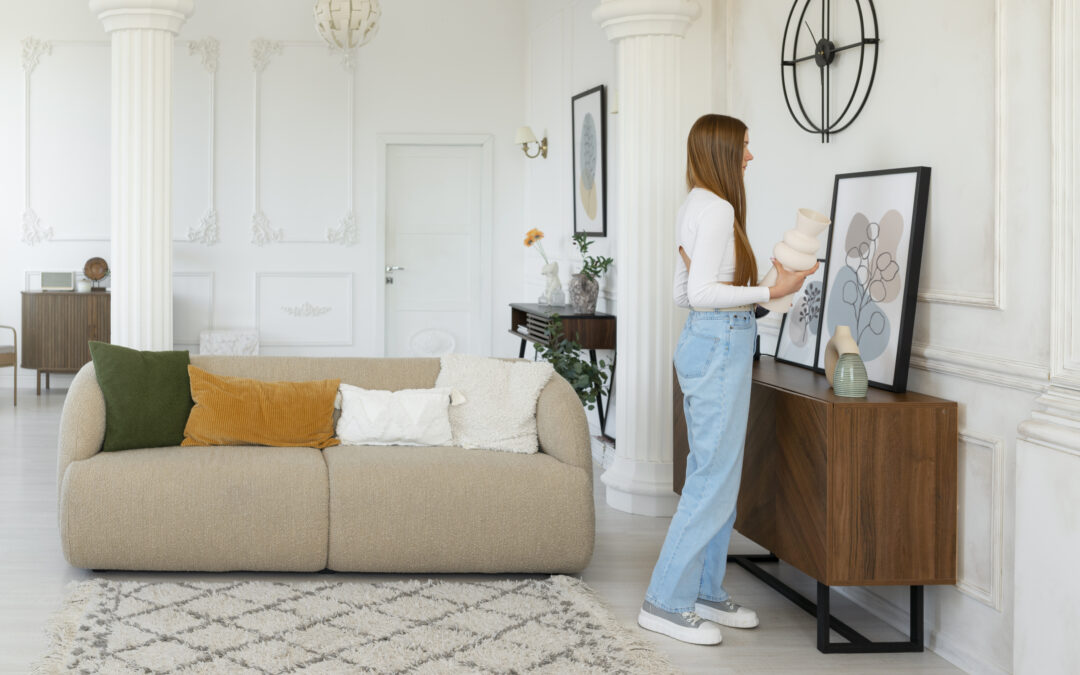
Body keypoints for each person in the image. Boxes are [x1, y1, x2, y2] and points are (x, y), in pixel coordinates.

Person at [637, 114, 819, 646]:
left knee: (715, 473)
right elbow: (699, 294)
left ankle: (703, 590)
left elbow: (683, 295)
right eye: (744, 145)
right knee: (713, 479)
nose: (750, 156)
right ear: (723, 150)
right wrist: (767, 292)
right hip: (719, 343)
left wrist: (766, 289)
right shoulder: (716, 210)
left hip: (709, 340)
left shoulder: (695, 205)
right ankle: (665, 601)